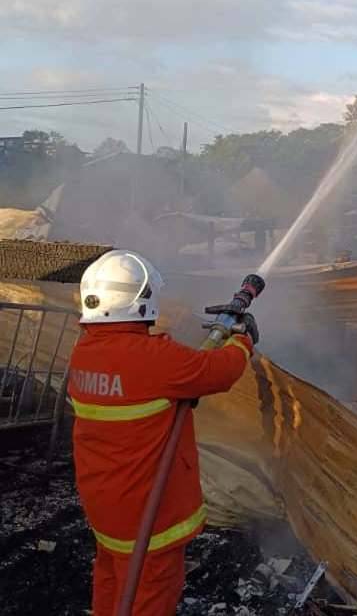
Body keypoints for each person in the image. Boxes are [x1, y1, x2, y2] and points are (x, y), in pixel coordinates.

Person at [68, 250, 257, 616]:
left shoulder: (83, 353)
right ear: (142, 302)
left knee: (111, 579)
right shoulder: (152, 359)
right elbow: (218, 370)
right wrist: (242, 340)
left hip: (104, 504)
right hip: (149, 516)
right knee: (150, 595)